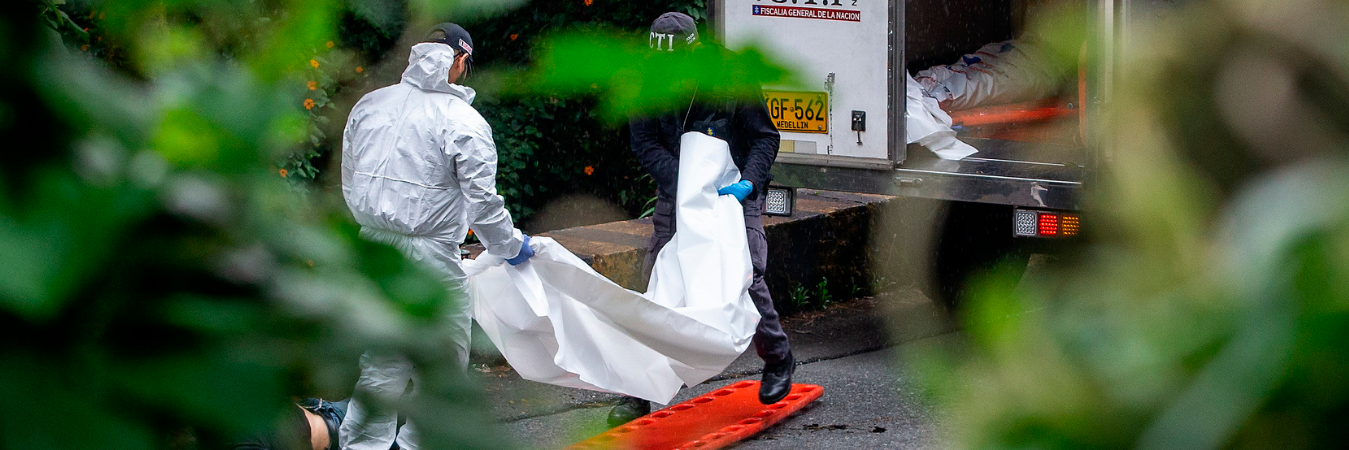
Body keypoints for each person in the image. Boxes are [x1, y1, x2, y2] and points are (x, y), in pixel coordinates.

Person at [339, 23, 535, 450]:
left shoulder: (369, 105)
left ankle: (361, 446)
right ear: (460, 61)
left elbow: (350, 182)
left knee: (380, 362)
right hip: (430, 254)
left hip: (373, 246)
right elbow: (483, 204)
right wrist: (510, 246)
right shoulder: (463, 121)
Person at [608, 11, 795, 427]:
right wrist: (686, 182)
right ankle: (636, 393)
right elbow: (643, 141)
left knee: (745, 270)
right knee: (658, 276)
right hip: (678, 189)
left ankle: (778, 358)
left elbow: (765, 136)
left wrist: (748, 183)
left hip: (733, 186)